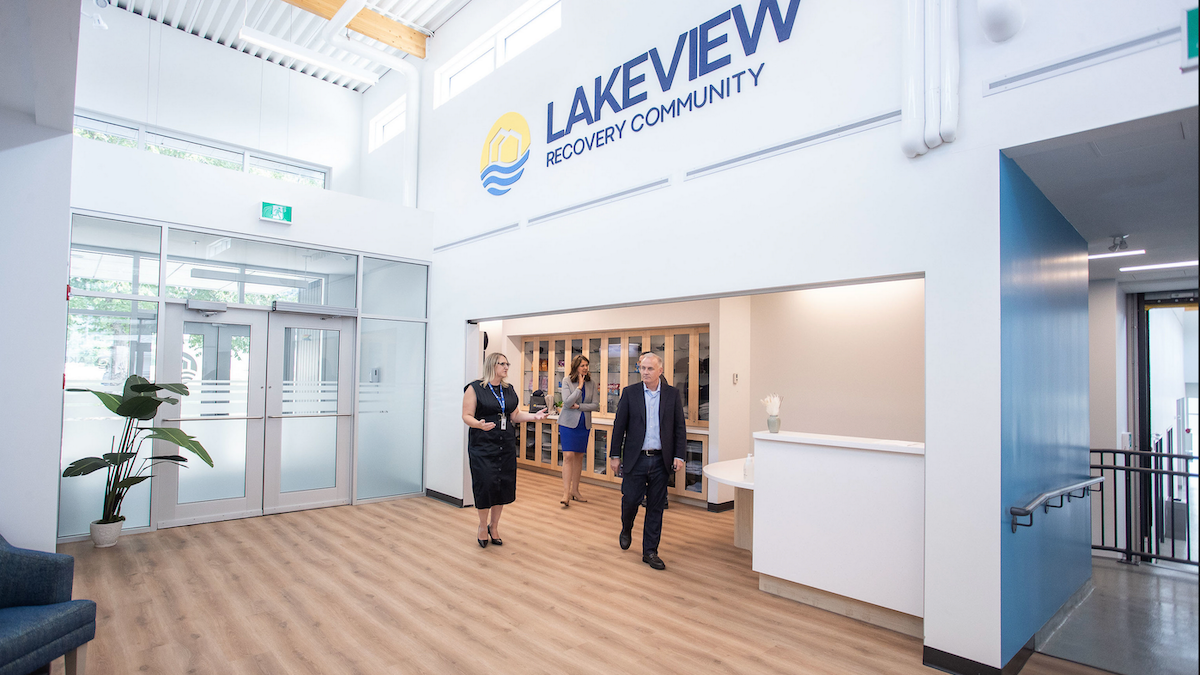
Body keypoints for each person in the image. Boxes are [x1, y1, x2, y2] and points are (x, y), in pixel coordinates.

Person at [462, 352, 549, 548]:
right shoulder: (475, 388)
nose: (506, 367)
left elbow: (515, 415)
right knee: (485, 485)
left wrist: (534, 417)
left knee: (501, 486)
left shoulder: (508, 390)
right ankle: (482, 526)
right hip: (483, 446)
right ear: (492, 365)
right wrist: (478, 424)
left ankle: (495, 526)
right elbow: (466, 415)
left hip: (505, 446)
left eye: (507, 364)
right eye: (502, 364)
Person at [608, 352, 686, 570]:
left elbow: (679, 427)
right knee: (631, 499)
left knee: (656, 507)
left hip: (661, 460)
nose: (645, 372)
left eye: (650, 369)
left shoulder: (672, 394)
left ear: (660, 371)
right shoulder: (630, 393)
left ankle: (650, 551)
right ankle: (626, 527)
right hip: (636, 459)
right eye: (642, 368)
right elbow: (619, 426)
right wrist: (615, 456)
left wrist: (679, 455)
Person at [558, 355, 599, 507]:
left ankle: (575, 490)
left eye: (587, 365)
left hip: (584, 424)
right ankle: (565, 493)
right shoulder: (567, 381)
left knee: (579, 457)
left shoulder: (593, 383)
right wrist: (579, 387)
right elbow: (567, 403)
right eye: (582, 365)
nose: (585, 368)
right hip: (568, 423)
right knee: (568, 456)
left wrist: (580, 407)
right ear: (576, 367)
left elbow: (595, 405)